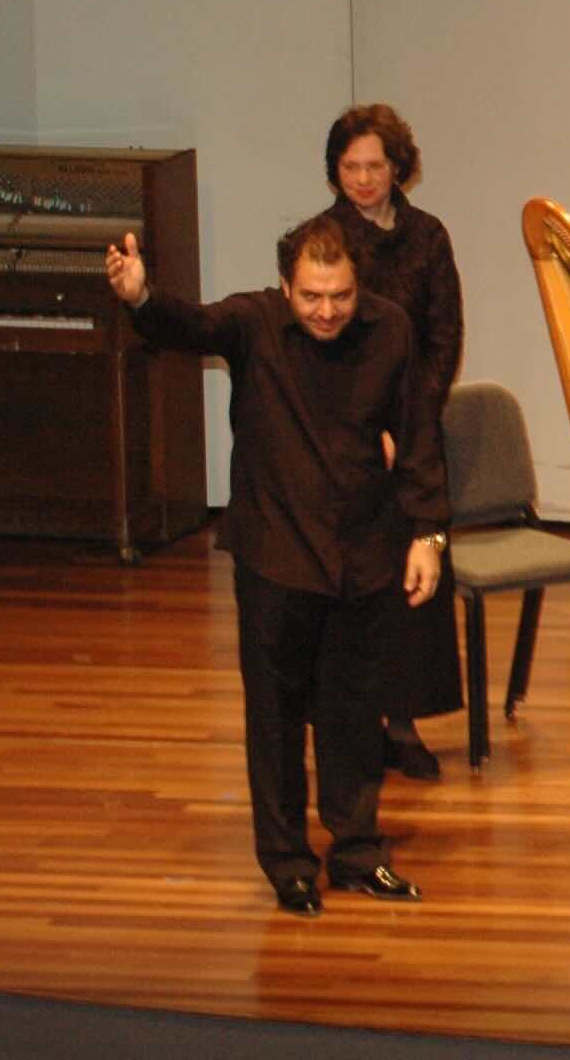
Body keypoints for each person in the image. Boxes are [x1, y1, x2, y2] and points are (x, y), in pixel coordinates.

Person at [108, 216, 446, 916]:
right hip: (276, 554)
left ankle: (357, 853)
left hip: (362, 550)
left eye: (341, 296)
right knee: (275, 717)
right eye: (312, 296)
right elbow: (189, 324)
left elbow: (417, 433)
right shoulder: (253, 322)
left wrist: (428, 535)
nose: (327, 311)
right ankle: (289, 863)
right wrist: (140, 296)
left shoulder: (389, 330)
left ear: (359, 286)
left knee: (354, 713)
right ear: (285, 286)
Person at [322, 103, 465, 782]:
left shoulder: (428, 236)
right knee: (357, 583)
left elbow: (444, 338)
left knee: (417, 575)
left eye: (374, 166)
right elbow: (322, 339)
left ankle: (403, 725)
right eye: (350, 167)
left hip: (413, 431)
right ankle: (354, 724)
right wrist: (367, 426)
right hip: (349, 436)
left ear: (397, 165)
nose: (362, 179)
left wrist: (409, 423)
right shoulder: (323, 241)